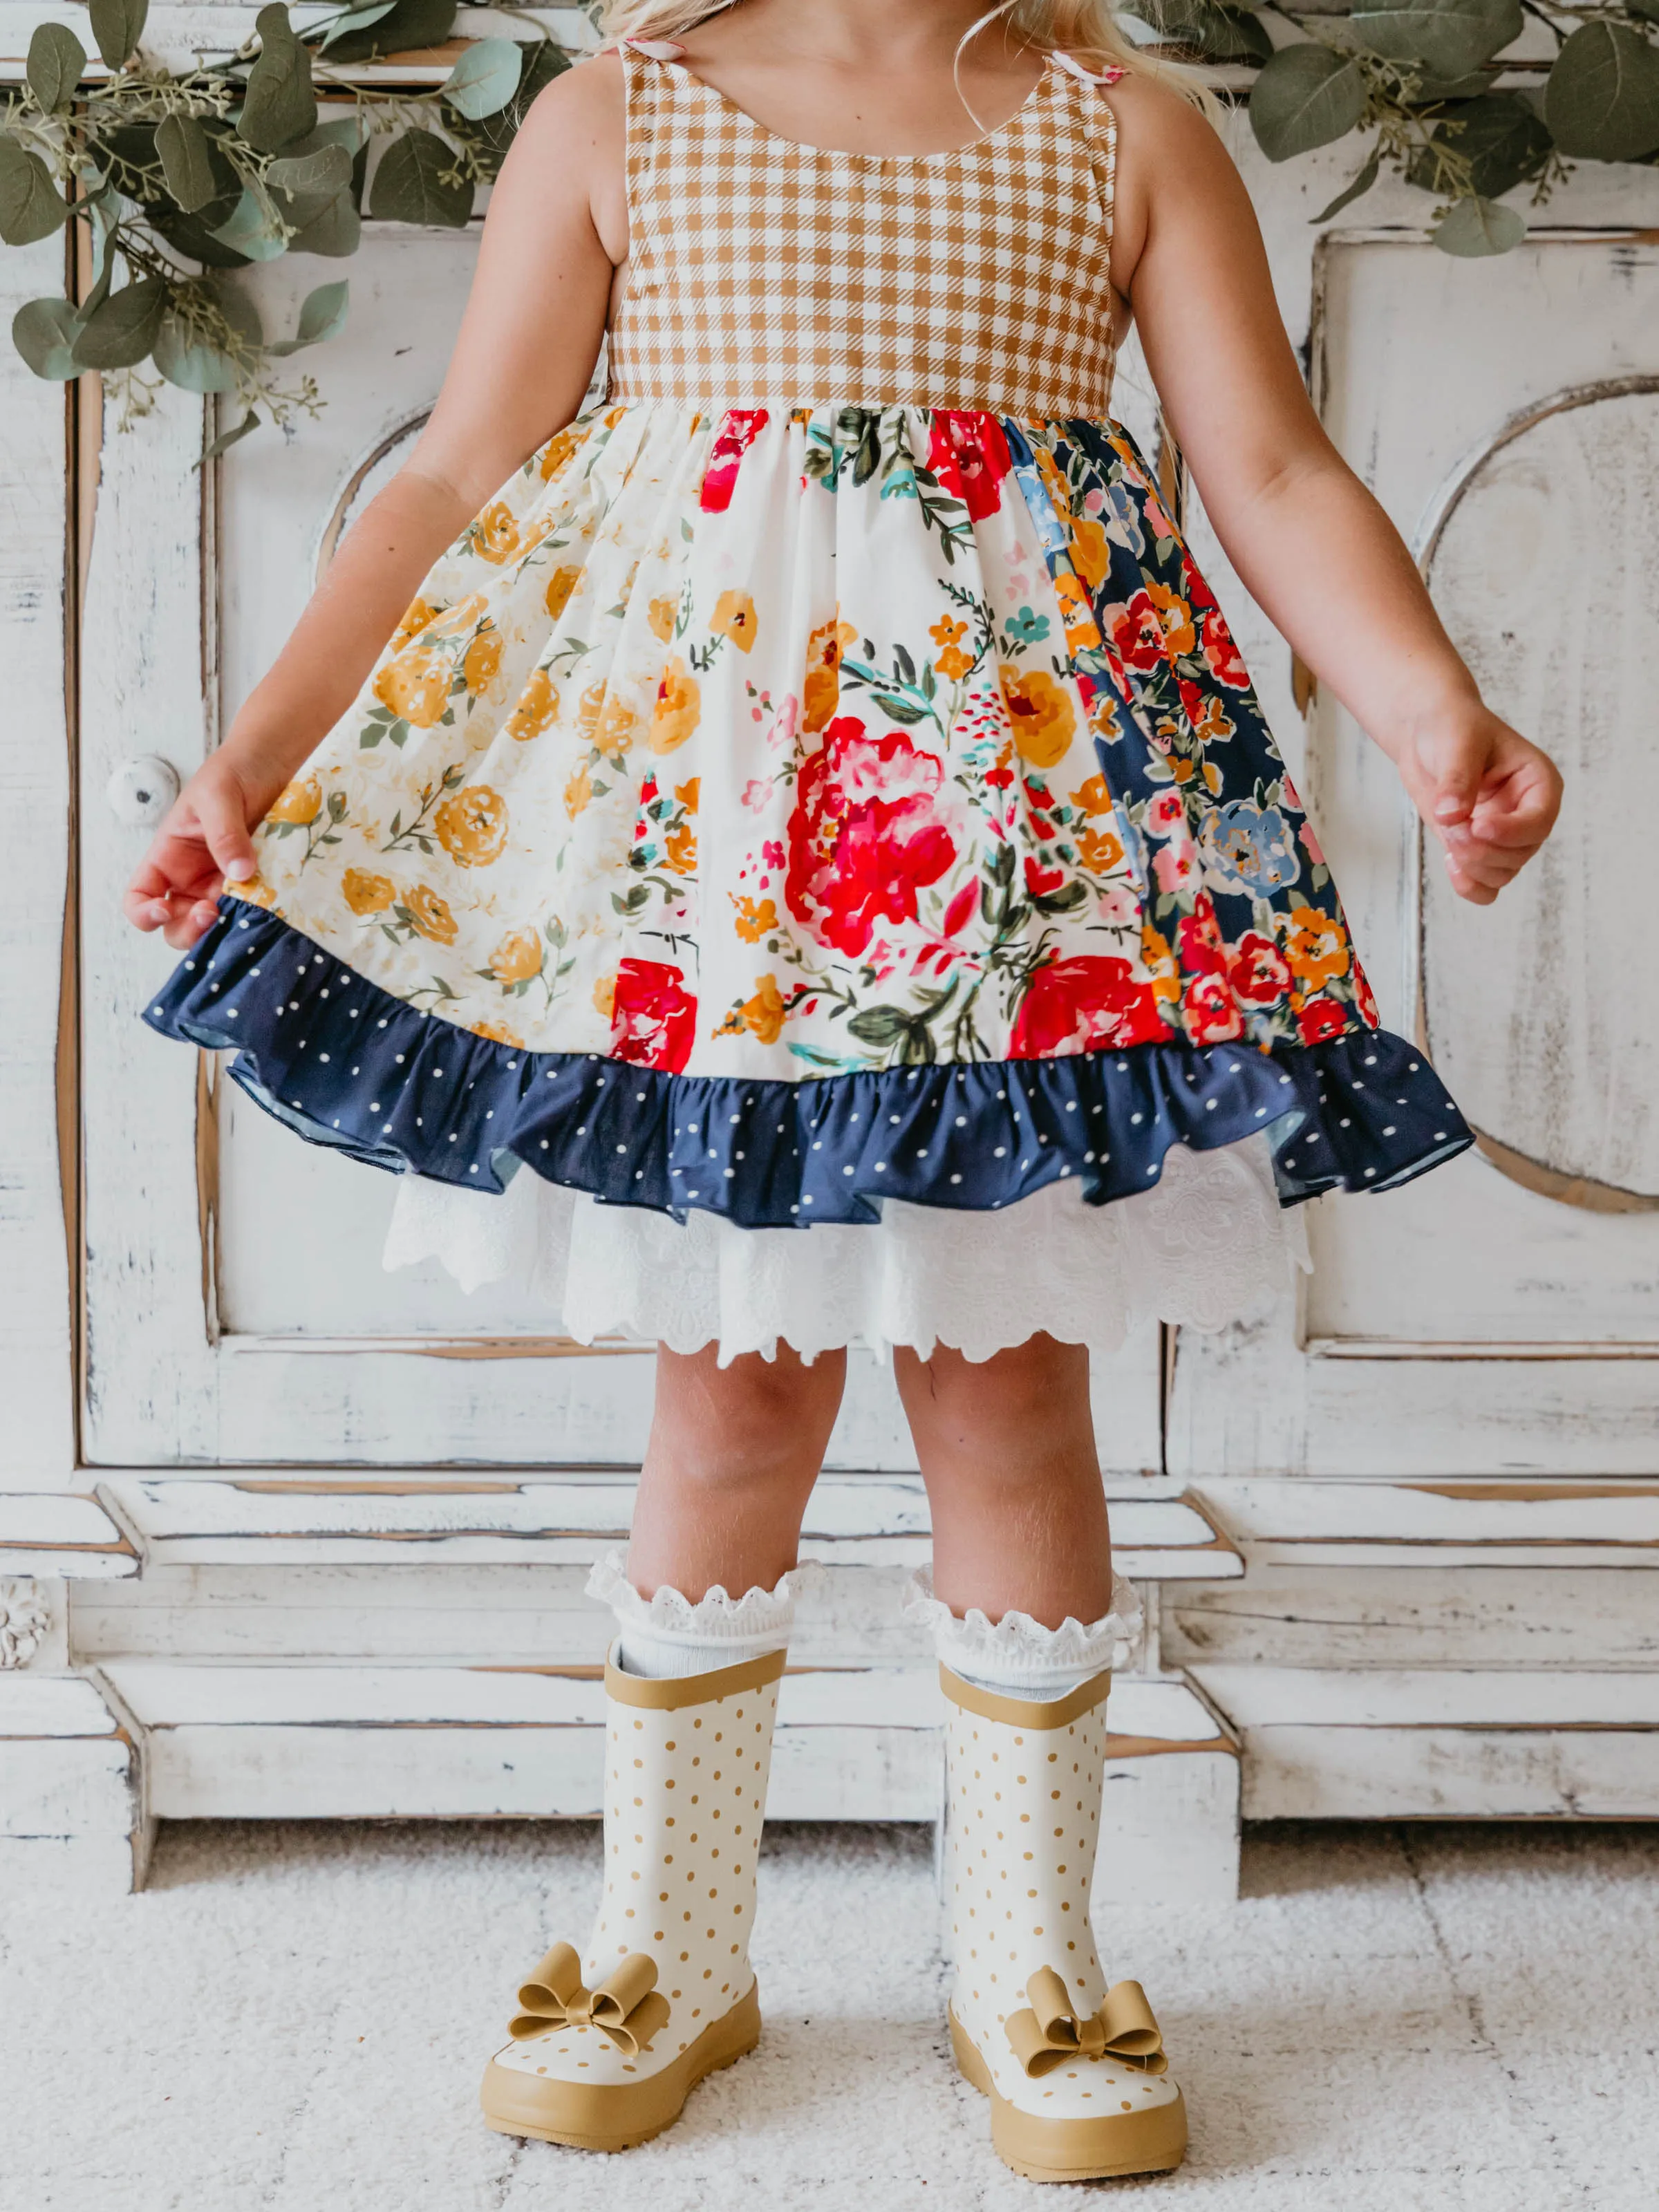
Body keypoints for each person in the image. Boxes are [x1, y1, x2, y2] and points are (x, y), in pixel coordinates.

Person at [126, 0, 1561, 2180]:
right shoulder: (623, 119)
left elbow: (1268, 470)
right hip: (720, 904)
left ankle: (1030, 1964)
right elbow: (452, 466)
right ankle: (671, 1949)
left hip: (1029, 900)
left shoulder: (1122, 128)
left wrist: (1439, 716)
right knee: (729, 1392)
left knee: (1009, 1393)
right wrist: (258, 752)